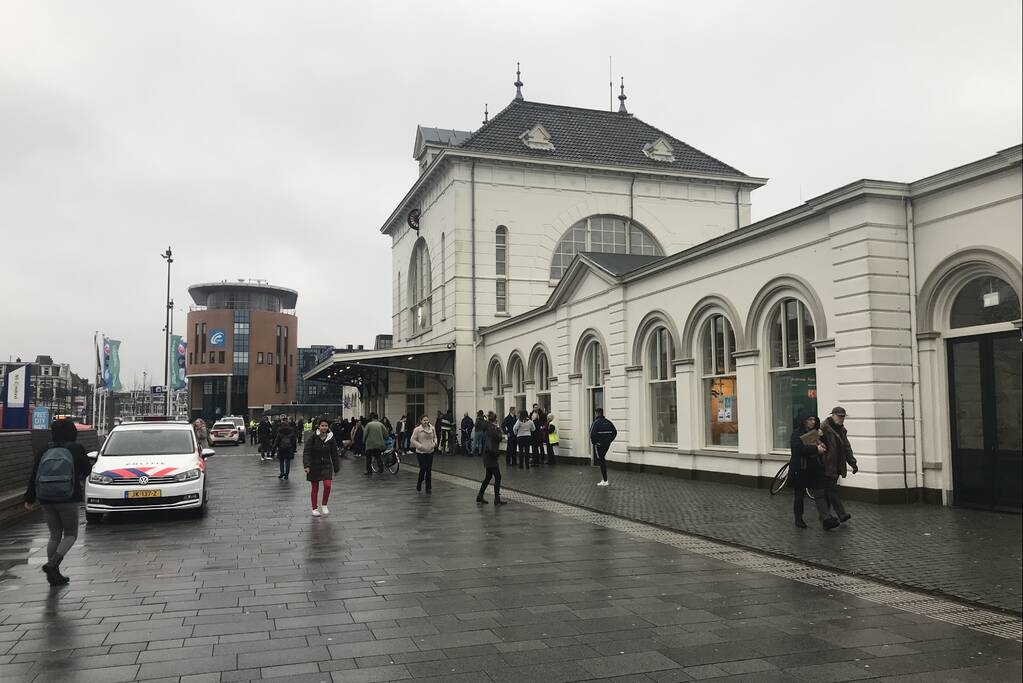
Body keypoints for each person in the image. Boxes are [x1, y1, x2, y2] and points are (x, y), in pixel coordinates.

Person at [24, 419, 93, 586]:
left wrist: (29, 498)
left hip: (46, 498)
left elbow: (34, 474)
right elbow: (87, 471)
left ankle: (53, 575)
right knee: (70, 534)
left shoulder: (44, 450)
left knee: (54, 535)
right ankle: (52, 565)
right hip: (68, 497)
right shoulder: (76, 448)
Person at [815, 407, 858, 530]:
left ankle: (825, 516)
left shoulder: (842, 430)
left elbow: (847, 448)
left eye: (843, 416)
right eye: (839, 416)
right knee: (831, 490)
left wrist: (852, 463)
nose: (841, 418)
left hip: (837, 465)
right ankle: (840, 514)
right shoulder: (823, 428)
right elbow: (814, 442)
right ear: (833, 415)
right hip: (826, 465)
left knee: (829, 491)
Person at [789, 413, 823, 529]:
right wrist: (816, 449)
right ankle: (798, 519)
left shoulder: (817, 433)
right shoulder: (797, 433)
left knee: (821, 492)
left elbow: (822, 446)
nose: (813, 422)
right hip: (801, 468)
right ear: (804, 421)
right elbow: (798, 449)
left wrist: (822, 446)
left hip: (815, 467)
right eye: (810, 419)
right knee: (799, 495)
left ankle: (825, 516)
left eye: (814, 419)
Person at [303, 418, 341, 517]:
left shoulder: (331, 438)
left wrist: (336, 468)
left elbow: (334, 454)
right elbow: (307, 452)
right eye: (322, 426)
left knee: (327, 485)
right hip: (314, 465)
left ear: (328, 427)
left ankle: (324, 504)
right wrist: (307, 465)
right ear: (318, 426)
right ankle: (314, 508)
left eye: (326, 426)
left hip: (326, 465)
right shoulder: (313, 437)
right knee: (315, 488)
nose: (324, 427)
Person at [477, 411, 508, 505]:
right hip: (491, 455)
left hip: (488, 454)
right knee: (498, 476)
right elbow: (499, 437)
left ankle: (480, 496)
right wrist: (498, 428)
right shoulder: (492, 428)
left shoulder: (487, 427)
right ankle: (496, 498)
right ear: (495, 419)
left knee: (488, 476)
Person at [589, 407, 617, 486]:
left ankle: (605, 480)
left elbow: (591, 434)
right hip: (607, 445)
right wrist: (609, 440)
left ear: (596, 413)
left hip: (599, 445)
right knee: (602, 460)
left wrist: (595, 443)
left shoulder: (596, 422)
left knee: (601, 461)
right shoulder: (608, 422)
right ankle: (604, 479)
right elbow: (614, 432)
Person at [410, 414, 437, 493]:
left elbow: (435, 437)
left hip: (430, 451)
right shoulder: (417, 429)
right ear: (421, 421)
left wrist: (434, 444)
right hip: (421, 452)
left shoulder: (432, 428)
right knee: (423, 469)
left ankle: (428, 488)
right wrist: (419, 446)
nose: (426, 422)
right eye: (424, 420)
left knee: (428, 470)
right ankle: (419, 482)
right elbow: (412, 440)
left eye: (427, 420)